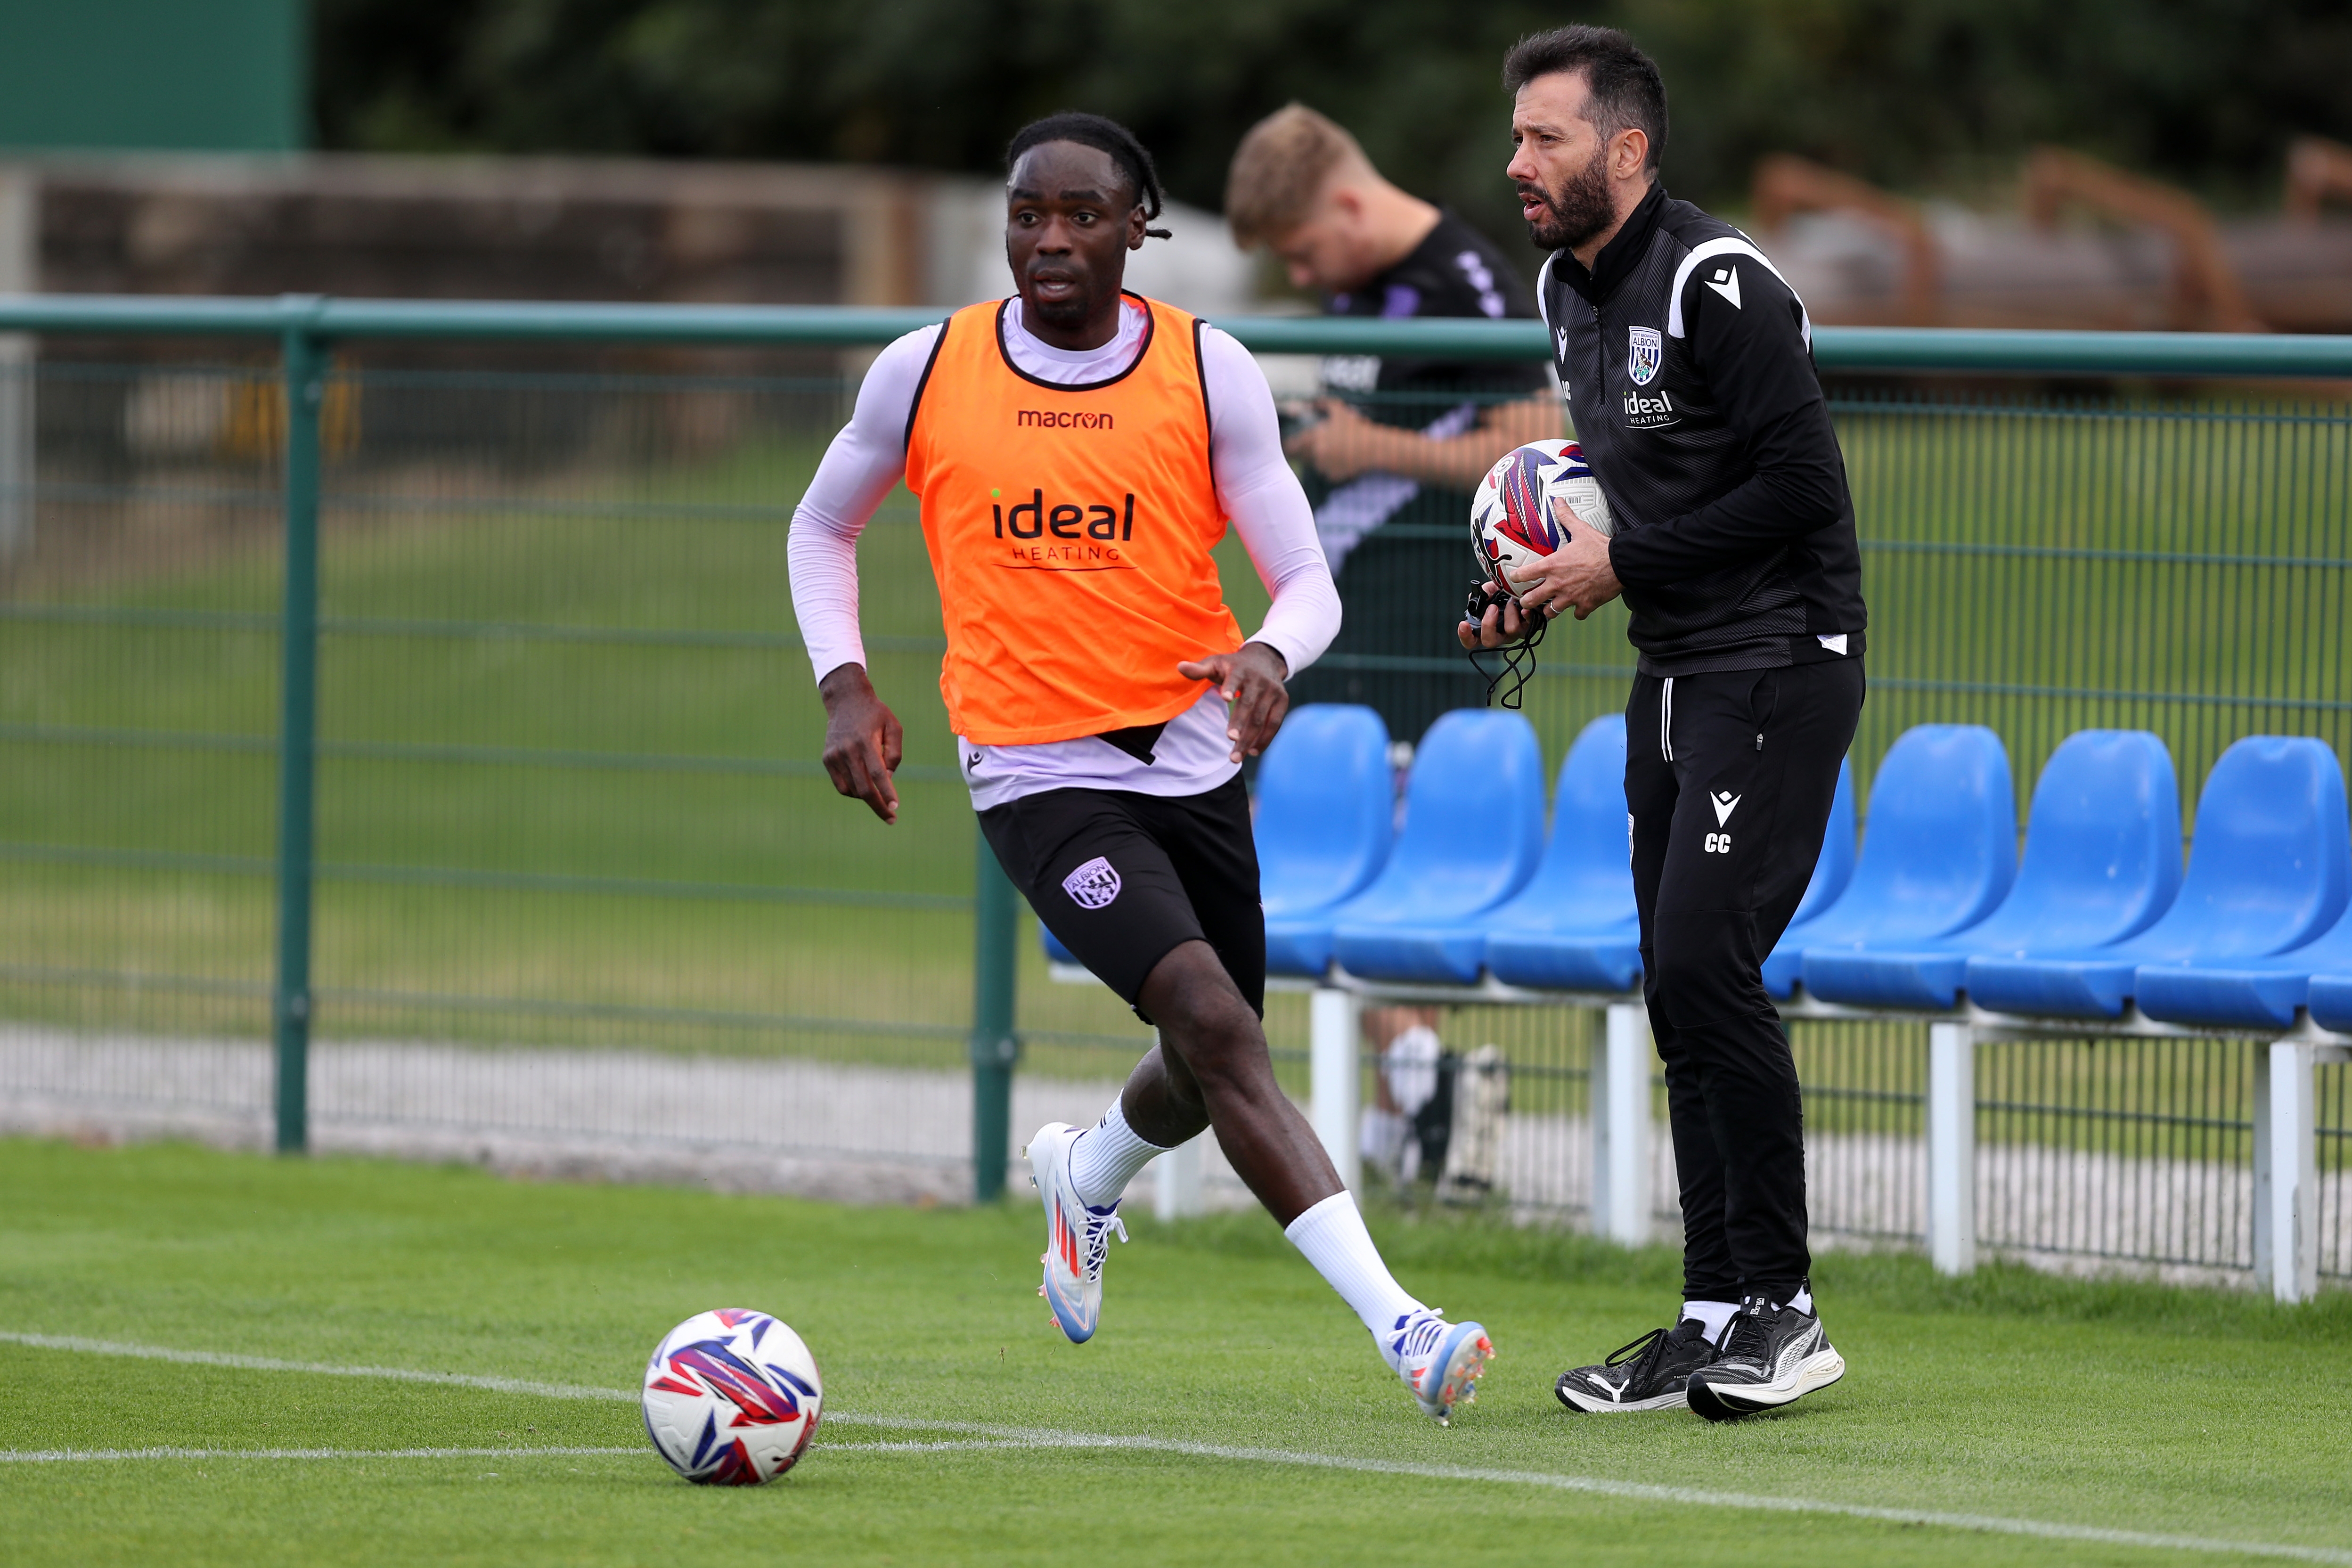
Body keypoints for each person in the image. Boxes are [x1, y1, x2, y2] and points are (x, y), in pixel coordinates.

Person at [789, 112, 1492, 1423]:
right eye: (1026, 214)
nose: (1049, 238)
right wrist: (846, 684)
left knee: (1211, 1046)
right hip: (1034, 772)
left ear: (1138, 229)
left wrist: (1271, 655)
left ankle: (1089, 1175)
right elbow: (823, 524)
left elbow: (1305, 582)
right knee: (1222, 1031)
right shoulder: (924, 370)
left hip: (1191, 759)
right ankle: (1408, 1329)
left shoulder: (1207, 371)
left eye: (1081, 215)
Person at [1463, 27, 1866, 1420]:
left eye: (1548, 138)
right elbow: (1627, 484)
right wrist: (1529, 587)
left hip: (1781, 660)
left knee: (1708, 963)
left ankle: (1787, 1312)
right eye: (1517, 137)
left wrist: (1617, 565)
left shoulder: (1717, 282)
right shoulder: (1560, 290)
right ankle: (1709, 1315)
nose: (1520, 162)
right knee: (1674, 983)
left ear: (1627, 151)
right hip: (1680, 668)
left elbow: (1806, 489)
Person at [1226, 104, 1558, 749]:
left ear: (1348, 208)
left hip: (1422, 635)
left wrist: (1375, 446)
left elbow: (1531, 448)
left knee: (1404, 841)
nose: (1299, 276)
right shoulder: (1352, 278)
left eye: (1301, 253)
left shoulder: (1470, 286)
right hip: (1326, 623)